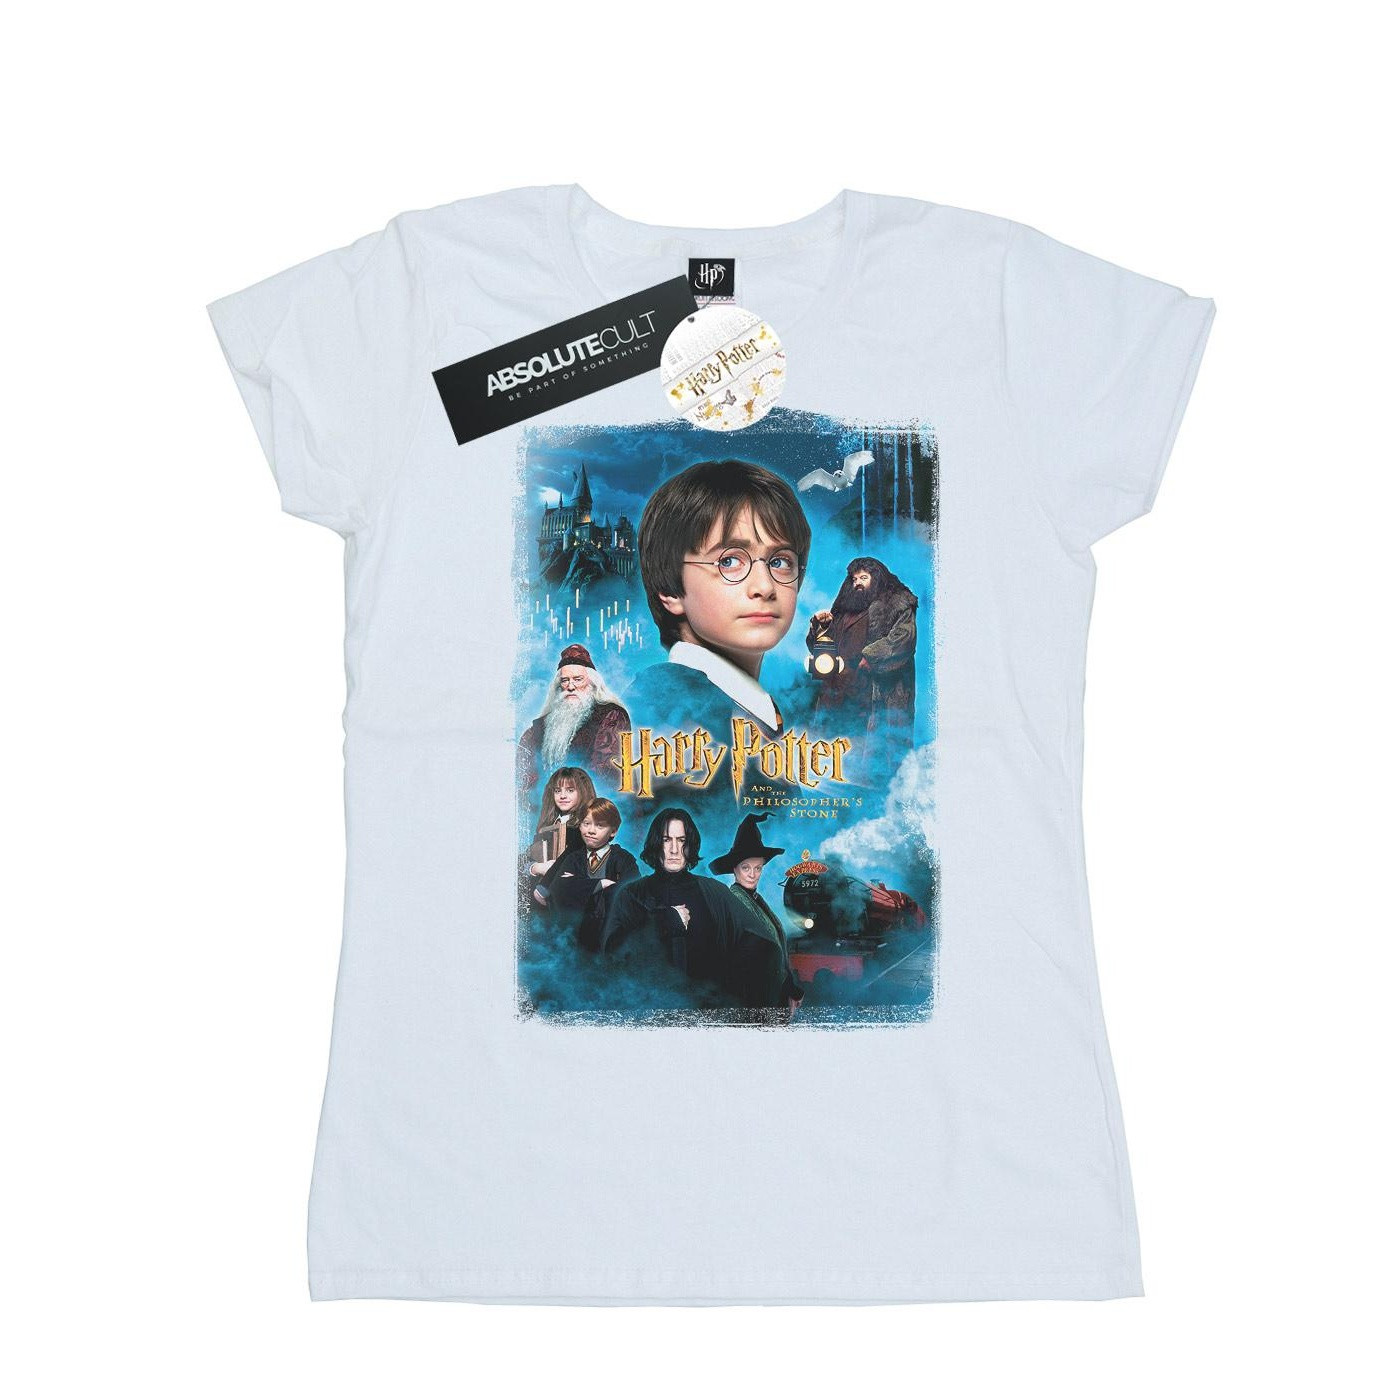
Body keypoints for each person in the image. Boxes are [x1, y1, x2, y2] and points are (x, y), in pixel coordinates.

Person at [629, 459, 811, 745]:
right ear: (670, 589)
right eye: (729, 561)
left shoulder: (740, 706)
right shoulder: (669, 714)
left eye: (780, 562)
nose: (765, 587)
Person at [600, 807, 790, 1011]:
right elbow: (613, 955)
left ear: (690, 845)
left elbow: (764, 945)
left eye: (681, 840)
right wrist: (663, 921)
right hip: (650, 1013)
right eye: (666, 840)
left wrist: (782, 989)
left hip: (708, 1017)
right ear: (656, 844)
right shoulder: (633, 894)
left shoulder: (714, 892)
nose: (674, 849)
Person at [806, 556, 918, 751]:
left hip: (871, 693)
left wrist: (871, 656)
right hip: (837, 693)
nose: (857, 583)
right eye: (854, 579)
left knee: (872, 755)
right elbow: (820, 652)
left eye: (863, 578)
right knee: (834, 751)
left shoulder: (896, 604)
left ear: (877, 579)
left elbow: (904, 639)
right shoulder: (843, 610)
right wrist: (820, 627)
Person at [708, 813, 804, 1011]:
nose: (753, 875)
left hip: (770, 995)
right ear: (734, 869)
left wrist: (790, 989)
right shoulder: (735, 900)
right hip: (751, 998)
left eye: (758, 868)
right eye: (746, 868)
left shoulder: (756, 899)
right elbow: (760, 954)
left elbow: (775, 951)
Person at [518, 644, 630, 790]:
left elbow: (605, 775)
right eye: (565, 680)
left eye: (578, 679)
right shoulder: (540, 727)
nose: (571, 687)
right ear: (559, 685)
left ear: (592, 683)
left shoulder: (611, 715)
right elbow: (524, 772)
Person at [532, 797, 639, 949]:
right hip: (572, 939)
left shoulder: (624, 859)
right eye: (586, 823)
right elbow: (558, 889)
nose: (591, 831)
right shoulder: (573, 858)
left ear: (613, 831)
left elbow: (631, 895)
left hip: (610, 940)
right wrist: (599, 884)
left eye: (600, 825)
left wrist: (577, 884)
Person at [523, 767, 596, 878]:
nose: (562, 796)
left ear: (583, 792)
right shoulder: (548, 826)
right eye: (557, 791)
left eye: (570, 790)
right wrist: (536, 868)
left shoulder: (587, 829)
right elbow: (523, 860)